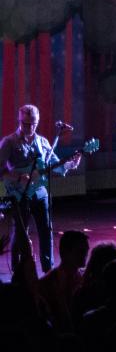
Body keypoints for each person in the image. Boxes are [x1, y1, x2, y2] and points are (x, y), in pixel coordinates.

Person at [0, 104, 82, 272]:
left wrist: (71, 164)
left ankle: (48, 269)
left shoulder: (42, 142)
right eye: (26, 124)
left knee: (46, 230)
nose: (30, 127)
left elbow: (56, 166)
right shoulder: (9, 142)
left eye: (34, 124)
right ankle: (17, 271)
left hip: (40, 193)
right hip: (19, 194)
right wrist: (17, 176)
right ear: (19, 120)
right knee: (21, 234)